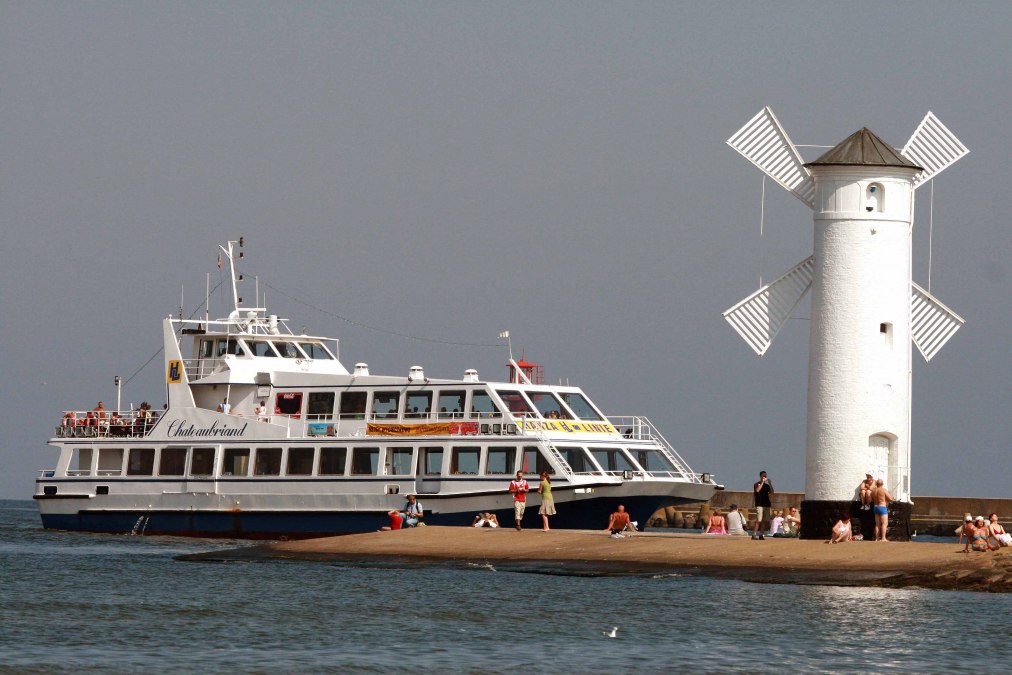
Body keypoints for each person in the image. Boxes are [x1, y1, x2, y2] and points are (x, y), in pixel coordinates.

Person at [752, 470, 774, 540]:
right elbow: (757, 490)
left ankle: (761, 534)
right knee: (759, 520)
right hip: (759, 504)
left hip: (766, 504)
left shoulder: (767, 486)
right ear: (760, 476)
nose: (764, 477)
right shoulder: (756, 484)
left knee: (765, 520)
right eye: (763, 475)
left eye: (765, 476)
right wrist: (762, 483)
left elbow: (772, 492)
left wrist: (770, 483)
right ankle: (754, 534)